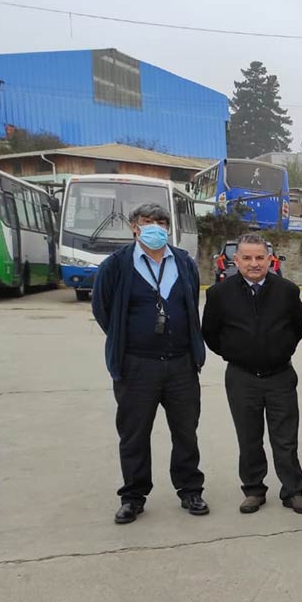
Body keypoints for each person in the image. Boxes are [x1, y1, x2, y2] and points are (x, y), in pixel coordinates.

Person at [91, 202, 208, 523]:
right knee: (134, 433)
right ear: (134, 226)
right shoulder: (116, 265)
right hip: (136, 365)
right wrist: (128, 341)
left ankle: (190, 489)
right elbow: (103, 310)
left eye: (160, 221)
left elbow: (190, 303)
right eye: (147, 221)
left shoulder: (183, 262)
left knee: (186, 431)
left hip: (181, 364)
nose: (155, 227)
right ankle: (133, 495)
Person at [202, 233, 302, 514]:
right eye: (247, 258)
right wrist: (235, 353)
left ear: (269, 259)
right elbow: (211, 334)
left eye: (259, 257)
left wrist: (280, 349)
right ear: (235, 260)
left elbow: (297, 328)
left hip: (280, 376)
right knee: (249, 438)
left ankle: (293, 491)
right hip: (242, 377)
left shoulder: (287, 291)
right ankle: (253, 490)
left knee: (285, 439)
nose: (254, 264)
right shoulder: (218, 294)